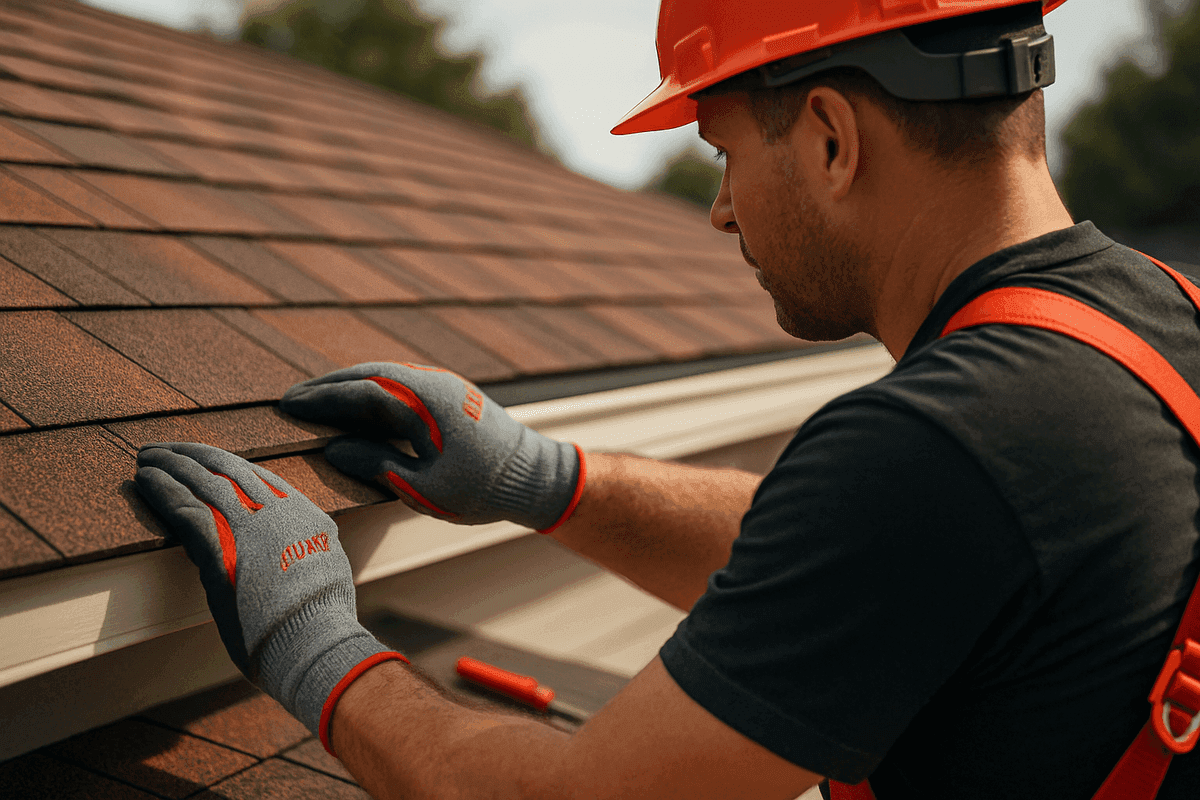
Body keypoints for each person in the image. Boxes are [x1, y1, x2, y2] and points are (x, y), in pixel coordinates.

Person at [134, 1, 1200, 798]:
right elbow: (861, 558)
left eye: (726, 153)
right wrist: (538, 479)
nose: (721, 212)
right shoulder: (1154, 321)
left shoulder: (946, 442)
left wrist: (318, 650)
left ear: (832, 137)